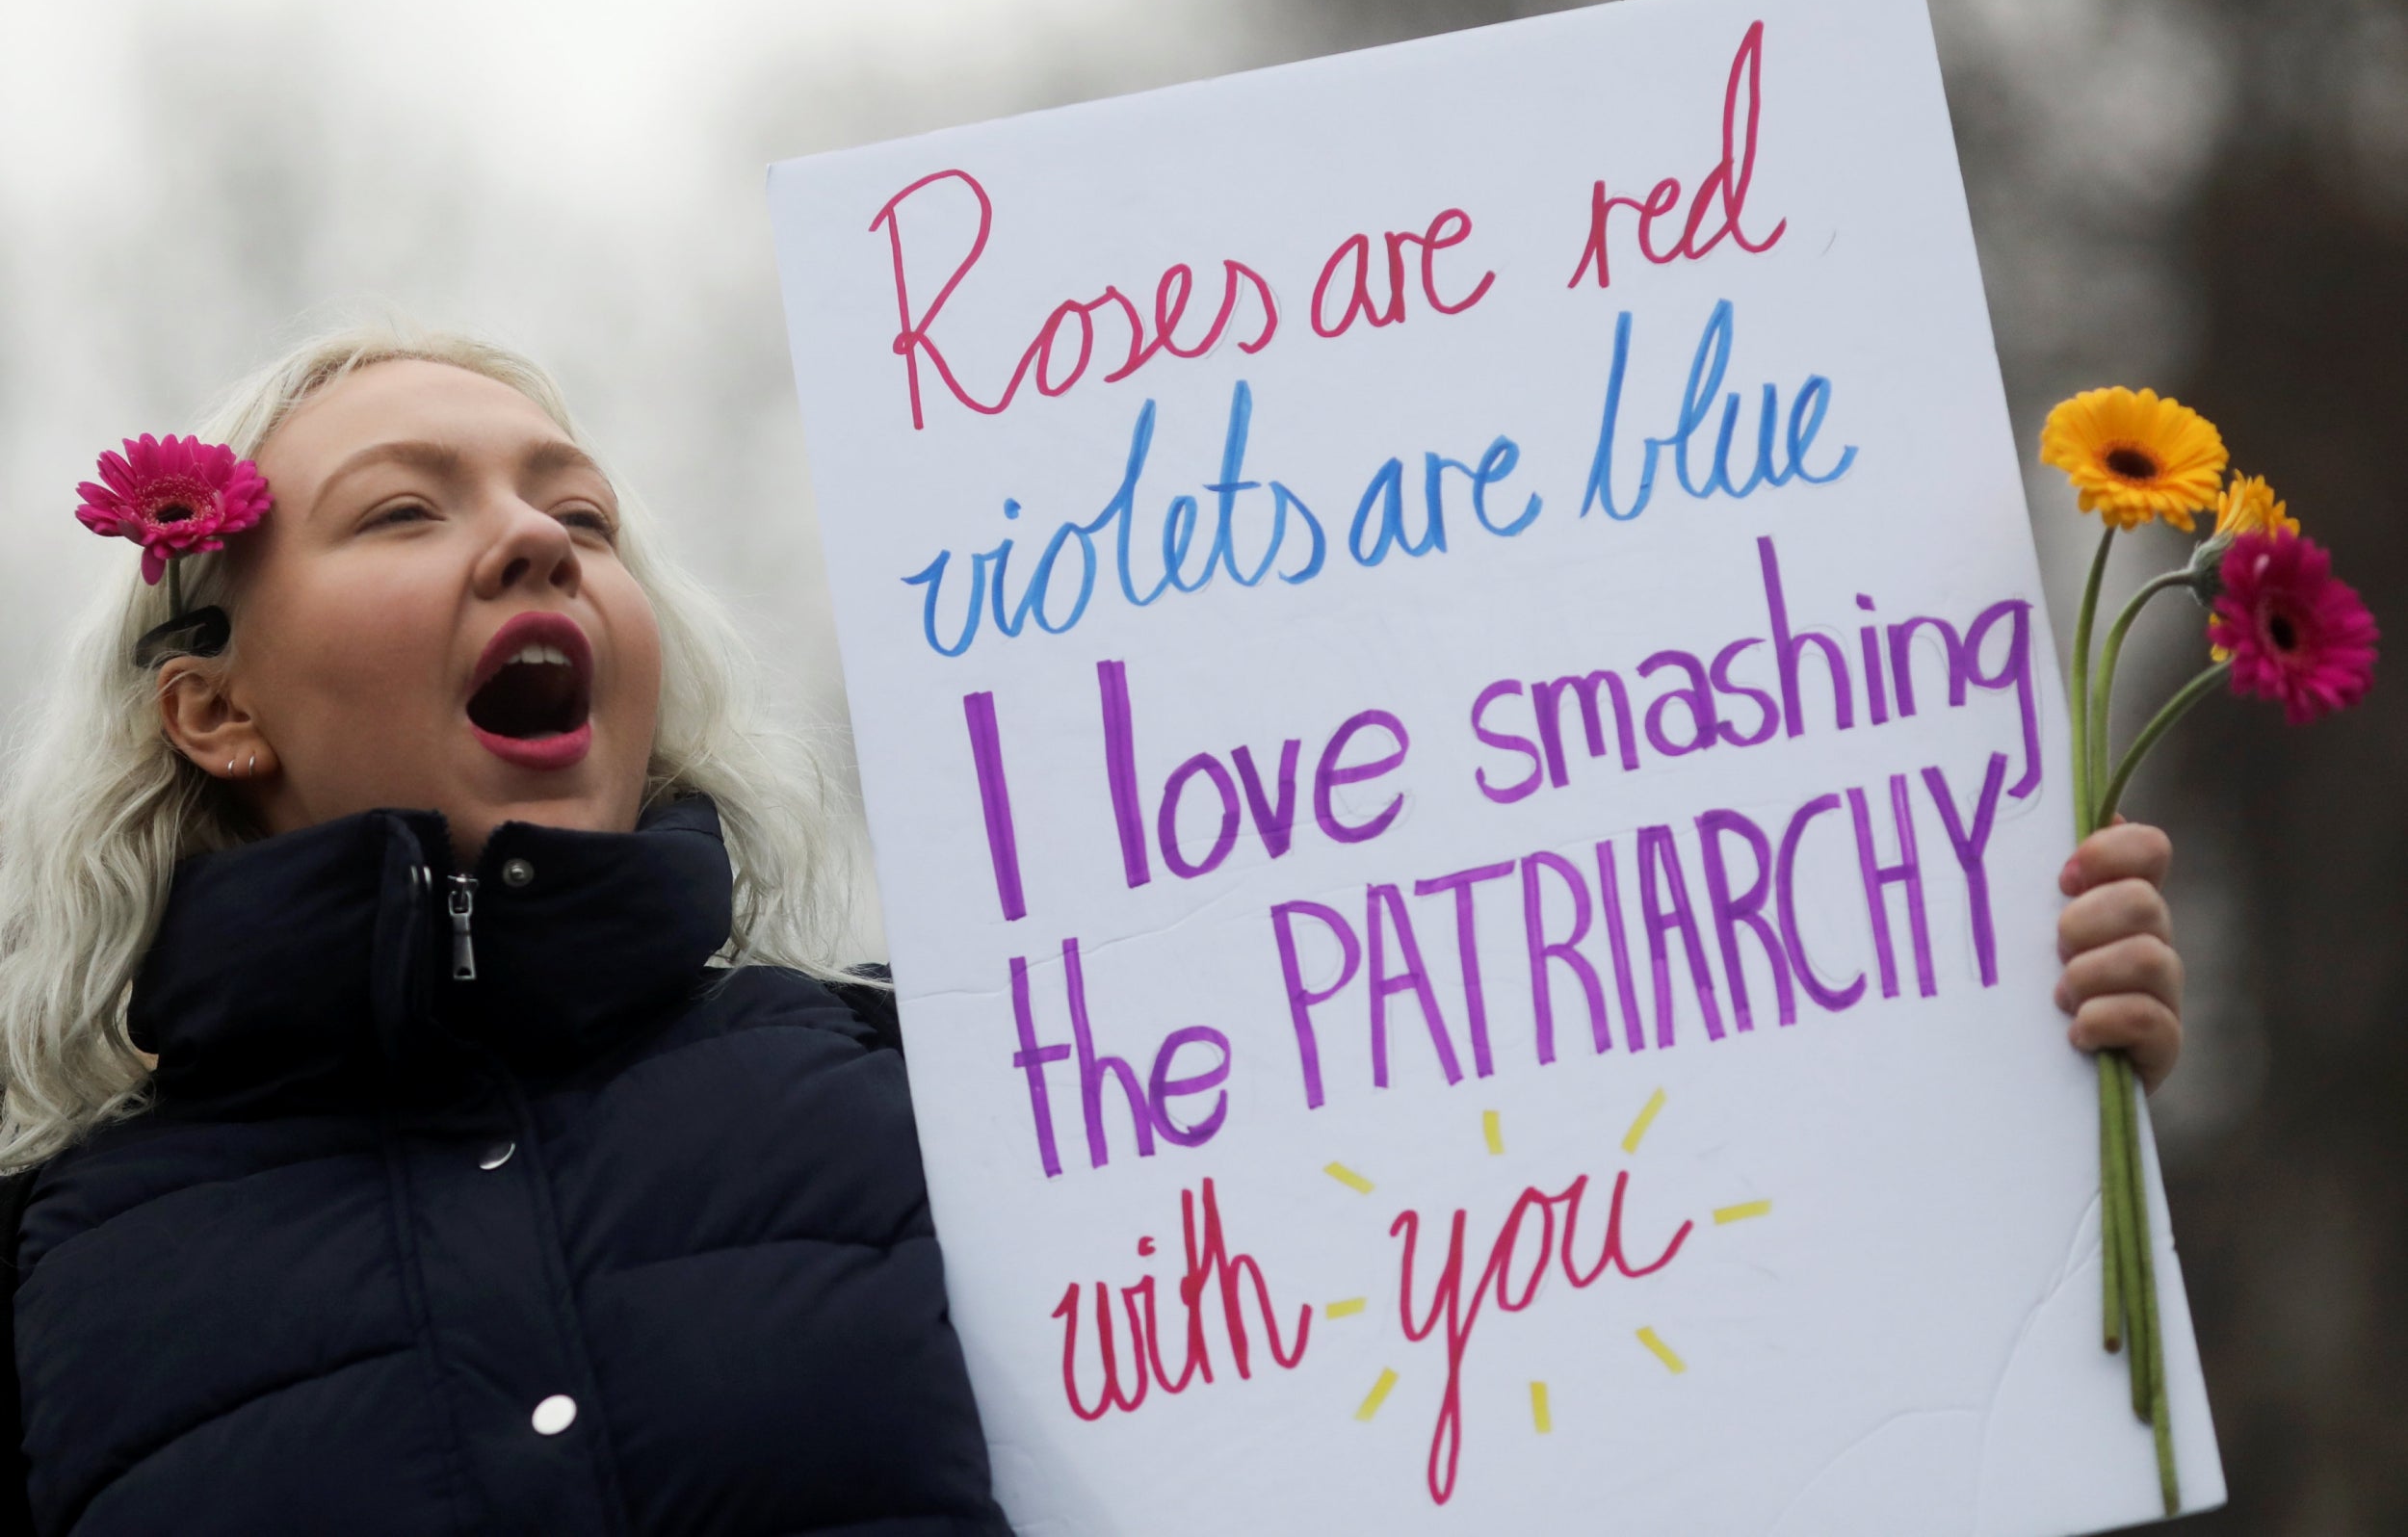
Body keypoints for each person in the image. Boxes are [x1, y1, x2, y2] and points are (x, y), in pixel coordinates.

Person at [0, 323, 2186, 1535]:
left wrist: (1984, 1046)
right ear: (209, 705)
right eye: (410, 507)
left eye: (577, 511)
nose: (530, 545)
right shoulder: (48, 1283)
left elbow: (1530, 1303)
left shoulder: (937, 1096)